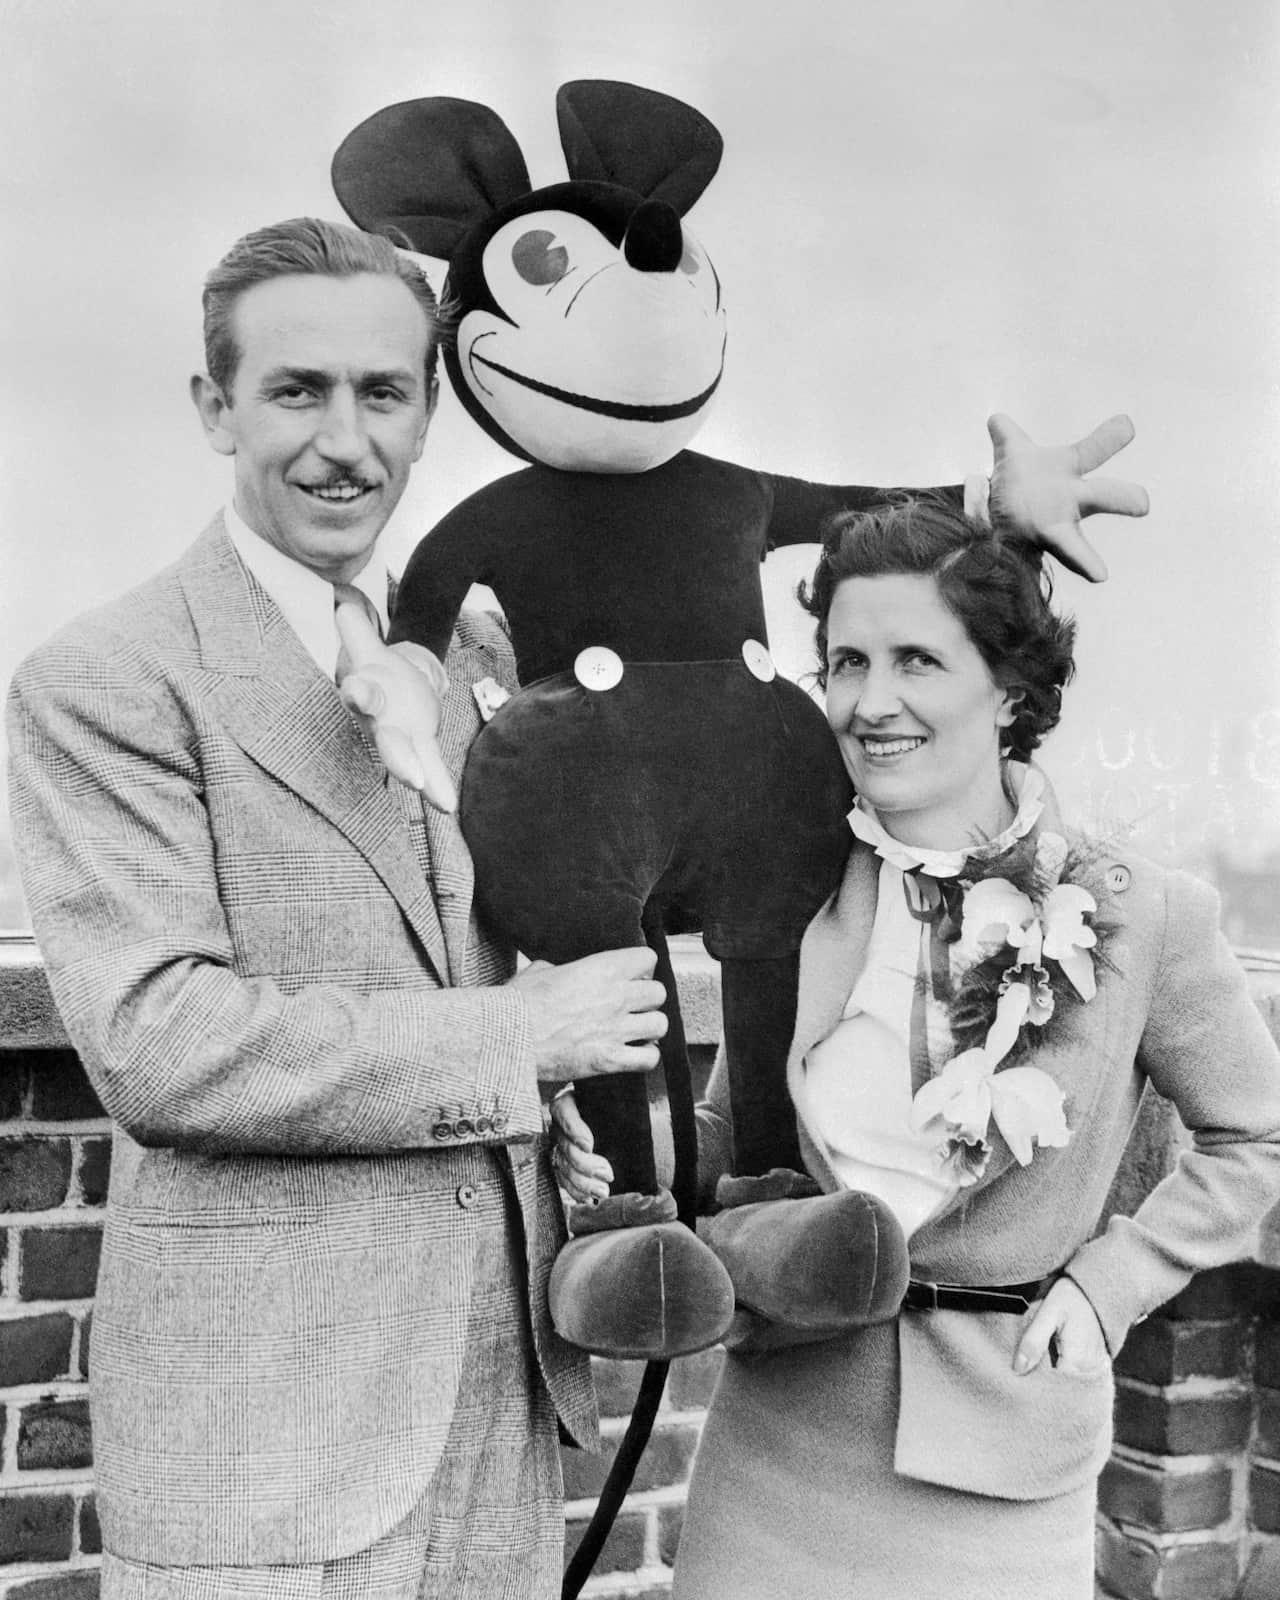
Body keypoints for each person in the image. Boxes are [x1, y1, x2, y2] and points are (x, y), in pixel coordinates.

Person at [5, 216, 670, 1600]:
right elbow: (161, 1040)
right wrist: (515, 1043)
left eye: (384, 393)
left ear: (429, 409)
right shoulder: (109, 680)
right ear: (214, 408)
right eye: (296, 390)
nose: (344, 440)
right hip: (265, 1460)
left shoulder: (472, 653)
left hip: (496, 1422)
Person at [554, 493, 1280, 1598]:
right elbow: (727, 1134)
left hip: (1002, 1473)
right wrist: (610, 1161)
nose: (869, 701)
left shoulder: (1144, 916)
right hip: (778, 1449)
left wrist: (1111, 1282)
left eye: (915, 661)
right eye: (844, 661)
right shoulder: (786, 890)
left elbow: (1256, 1136)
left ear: (1010, 691)